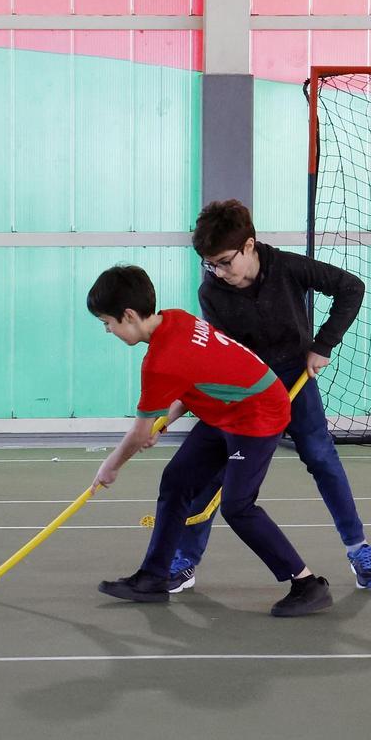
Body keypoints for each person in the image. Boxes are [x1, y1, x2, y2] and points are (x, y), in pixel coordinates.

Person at [163, 200, 371, 594]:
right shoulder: (212, 292)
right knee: (216, 471)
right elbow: (220, 352)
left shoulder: (288, 266)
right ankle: (185, 561)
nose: (218, 271)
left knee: (321, 457)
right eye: (210, 264)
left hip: (294, 376)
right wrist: (189, 399)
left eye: (225, 261)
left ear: (249, 246)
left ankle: (359, 549)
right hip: (246, 390)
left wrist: (323, 344)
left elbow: (351, 288)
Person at [87, 264, 333, 617]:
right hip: (226, 412)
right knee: (176, 480)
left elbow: (140, 433)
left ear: (128, 315)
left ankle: (307, 584)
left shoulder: (160, 359)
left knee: (238, 506)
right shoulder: (175, 320)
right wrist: (166, 418)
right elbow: (193, 383)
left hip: (257, 414)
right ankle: (153, 577)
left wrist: (110, 466)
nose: (108, 330)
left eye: (107, 322)